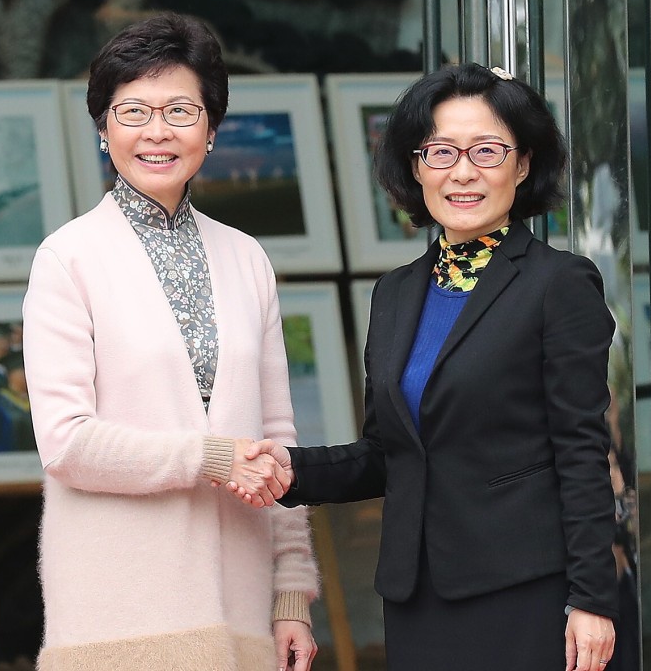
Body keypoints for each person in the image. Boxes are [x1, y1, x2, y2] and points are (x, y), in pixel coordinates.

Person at [236, 63, 619, 671]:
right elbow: (391, 452)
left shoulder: (558, 284)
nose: (462, 172)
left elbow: (582, 450)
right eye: (440, 151)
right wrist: (292, 470)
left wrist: (594, 599)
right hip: (418, 596)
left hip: (525, 589)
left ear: (522, 166)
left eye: (487, 151)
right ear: (415, 168)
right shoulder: (395, 293)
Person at [21, 13, 319, 671]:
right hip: (116, 618)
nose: (157, 131)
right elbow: (66, 441)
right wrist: (211, 458)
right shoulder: (67, 258)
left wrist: (292, 593)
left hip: (240, 611)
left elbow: (278, 440)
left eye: (181, 110)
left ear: (211, 130)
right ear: (104, 128)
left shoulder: (247, 259)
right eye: (133, 111)